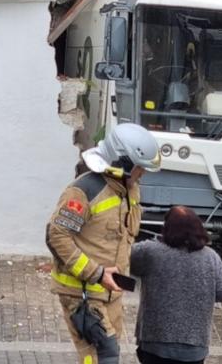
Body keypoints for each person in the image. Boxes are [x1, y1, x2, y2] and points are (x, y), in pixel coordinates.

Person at [46, 123, 161, 364]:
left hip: (110, 293)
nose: (143, 173)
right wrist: (96, 273)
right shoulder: (84, 191)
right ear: (123, 163)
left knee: (107, 354)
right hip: (82, 294)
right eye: (140, 167)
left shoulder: (129, 189)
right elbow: (57, 236)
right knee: (102, 357)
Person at [130, 206, 222, 364]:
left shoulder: (150, 251)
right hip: (194, 349)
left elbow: (123, 258)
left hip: (155, 344)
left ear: (167, 228)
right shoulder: (211, 257)